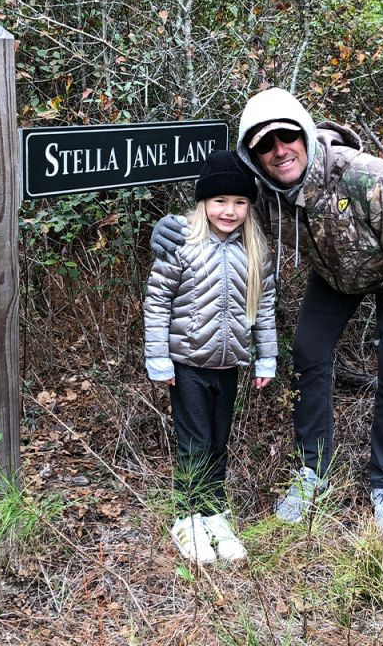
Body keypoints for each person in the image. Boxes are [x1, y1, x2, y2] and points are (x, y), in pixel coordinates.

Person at [152, 88, 383, 536]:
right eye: (264, 144)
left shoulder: (369, 178)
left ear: (304, 135)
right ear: (253, 153)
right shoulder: (264, 194)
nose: (279, 150)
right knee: (308, 352)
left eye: (287, 136)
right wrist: (172, 228)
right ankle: (313, 472)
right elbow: (221, 212)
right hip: (336, 277)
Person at [144, 149, 277, 564]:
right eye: (220, 201)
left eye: (239, 202)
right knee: (194, 443)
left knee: (219, 443)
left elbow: (265, 304)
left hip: (229, 366)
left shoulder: (255, 250)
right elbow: (157, 302)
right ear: (204, 202)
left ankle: (214, 514)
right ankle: (186, 519)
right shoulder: (182, 243)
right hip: (186, 365)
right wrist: (159, 359)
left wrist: (266, 358)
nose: (229, 210)